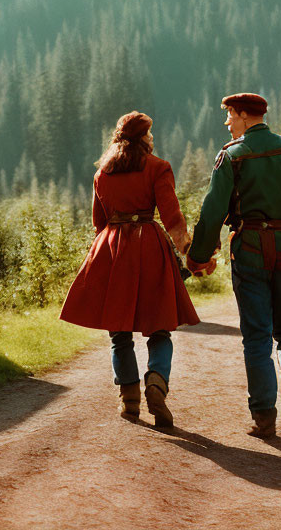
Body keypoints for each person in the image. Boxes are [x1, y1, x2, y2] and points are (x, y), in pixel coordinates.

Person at [185, 93, 281, 441]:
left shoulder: (232, 156)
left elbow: (212, 212)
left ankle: (264, 419)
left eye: (229, 116)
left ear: (243, 115)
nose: (227, 122)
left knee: (257, 337)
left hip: (251, 251)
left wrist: (197, 256)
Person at [60, 111, 207, 426]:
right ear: (142, 139)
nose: (152, 139)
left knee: (119, 331)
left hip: (111, 248)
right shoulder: (158, 168)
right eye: (149, 134)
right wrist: (190, 254)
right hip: (149, 246)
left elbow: (98, 223)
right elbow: (172, 219)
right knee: (159, 326)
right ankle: (156, 379)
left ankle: (129, 402)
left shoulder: (102, 174)